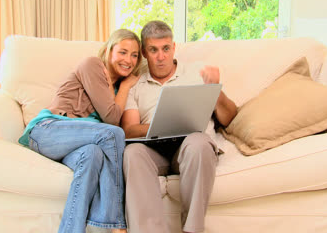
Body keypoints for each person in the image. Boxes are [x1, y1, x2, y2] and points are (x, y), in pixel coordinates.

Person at [18, 29, 143, 233]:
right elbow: (112, 122)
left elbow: (112, 124)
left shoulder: (118, 89)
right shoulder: (92, 65)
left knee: (93, 154)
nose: (128, 60)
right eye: (123, 52)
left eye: (134, 55)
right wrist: (127, 87)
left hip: (77, 145)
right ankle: (118, 227)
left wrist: (123, 88)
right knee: (113, 134)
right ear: (110, 50)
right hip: (48, 130)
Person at [121, 20, 238, 233]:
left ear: (174, 47)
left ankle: (192, 230)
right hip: (153, 151)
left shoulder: (196, 73)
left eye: (166, 48)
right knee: (132, 152)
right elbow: (129, 129)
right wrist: (162, 125)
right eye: (153, 50)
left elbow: (230, 117)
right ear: (145, 53)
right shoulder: (134, 84)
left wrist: (215, 90)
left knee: (199, 142)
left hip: (190, 148)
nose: (161, 56)